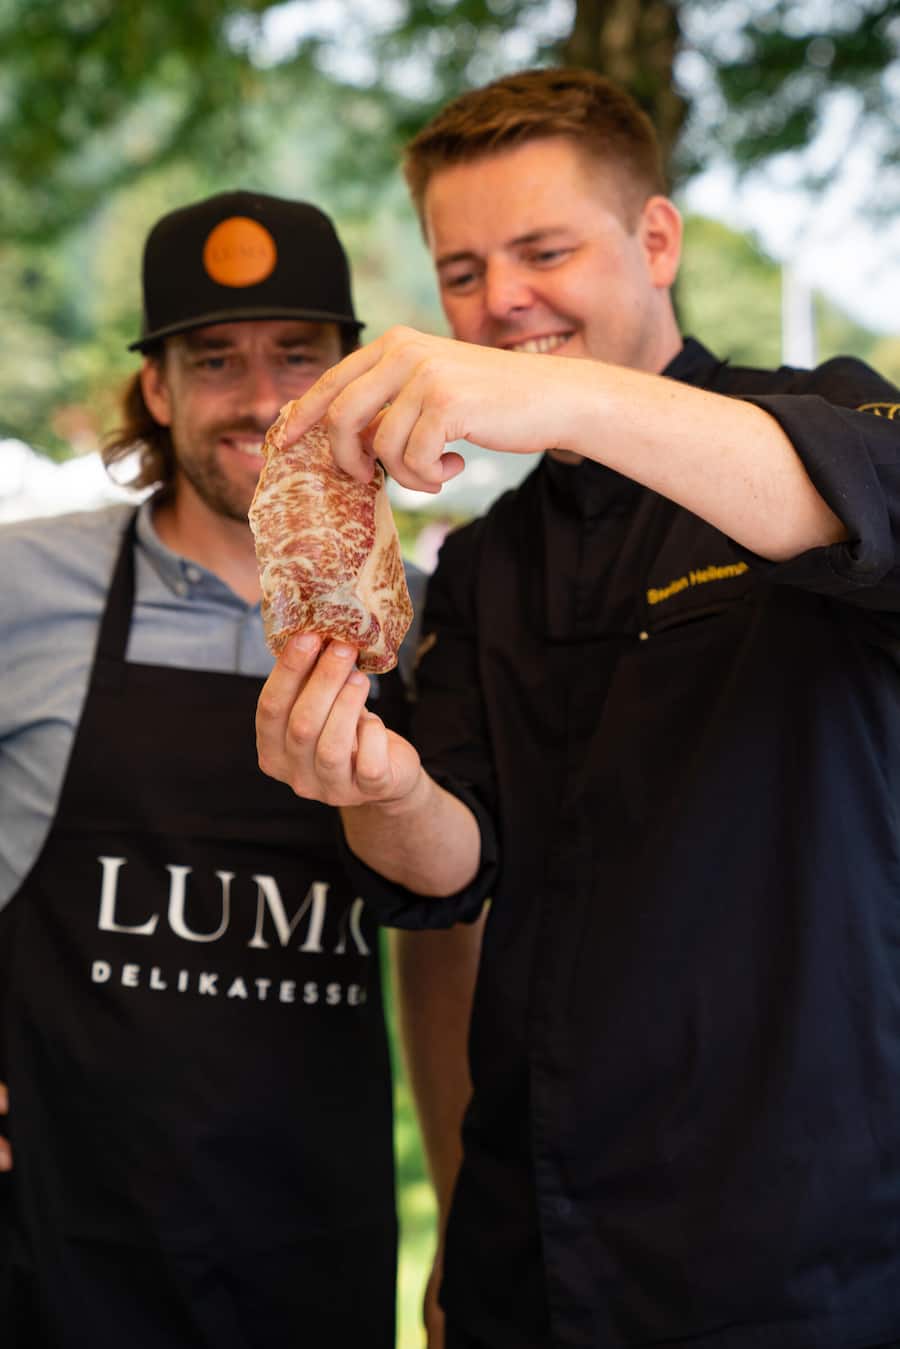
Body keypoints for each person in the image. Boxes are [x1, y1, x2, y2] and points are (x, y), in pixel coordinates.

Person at [254, 67, 900, 1349]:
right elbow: (454, 863)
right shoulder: (487, 566)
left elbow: (848, 504)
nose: (500, 300)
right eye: (461, 271)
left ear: (656, 239)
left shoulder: (824, 418)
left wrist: (550, 398)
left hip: (795, 1243)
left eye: (544, 249)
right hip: (535, 1243)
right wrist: (376, 785)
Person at [0, 188, 482, 1349]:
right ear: (158, 389)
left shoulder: (423, 622)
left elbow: (452, 921)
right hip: (52, 1245)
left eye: (297, 356)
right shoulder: (23, 586)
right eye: (215, 359)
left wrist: (467, 1216)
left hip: (312, 1246)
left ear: (349, 374)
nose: (262, 397)